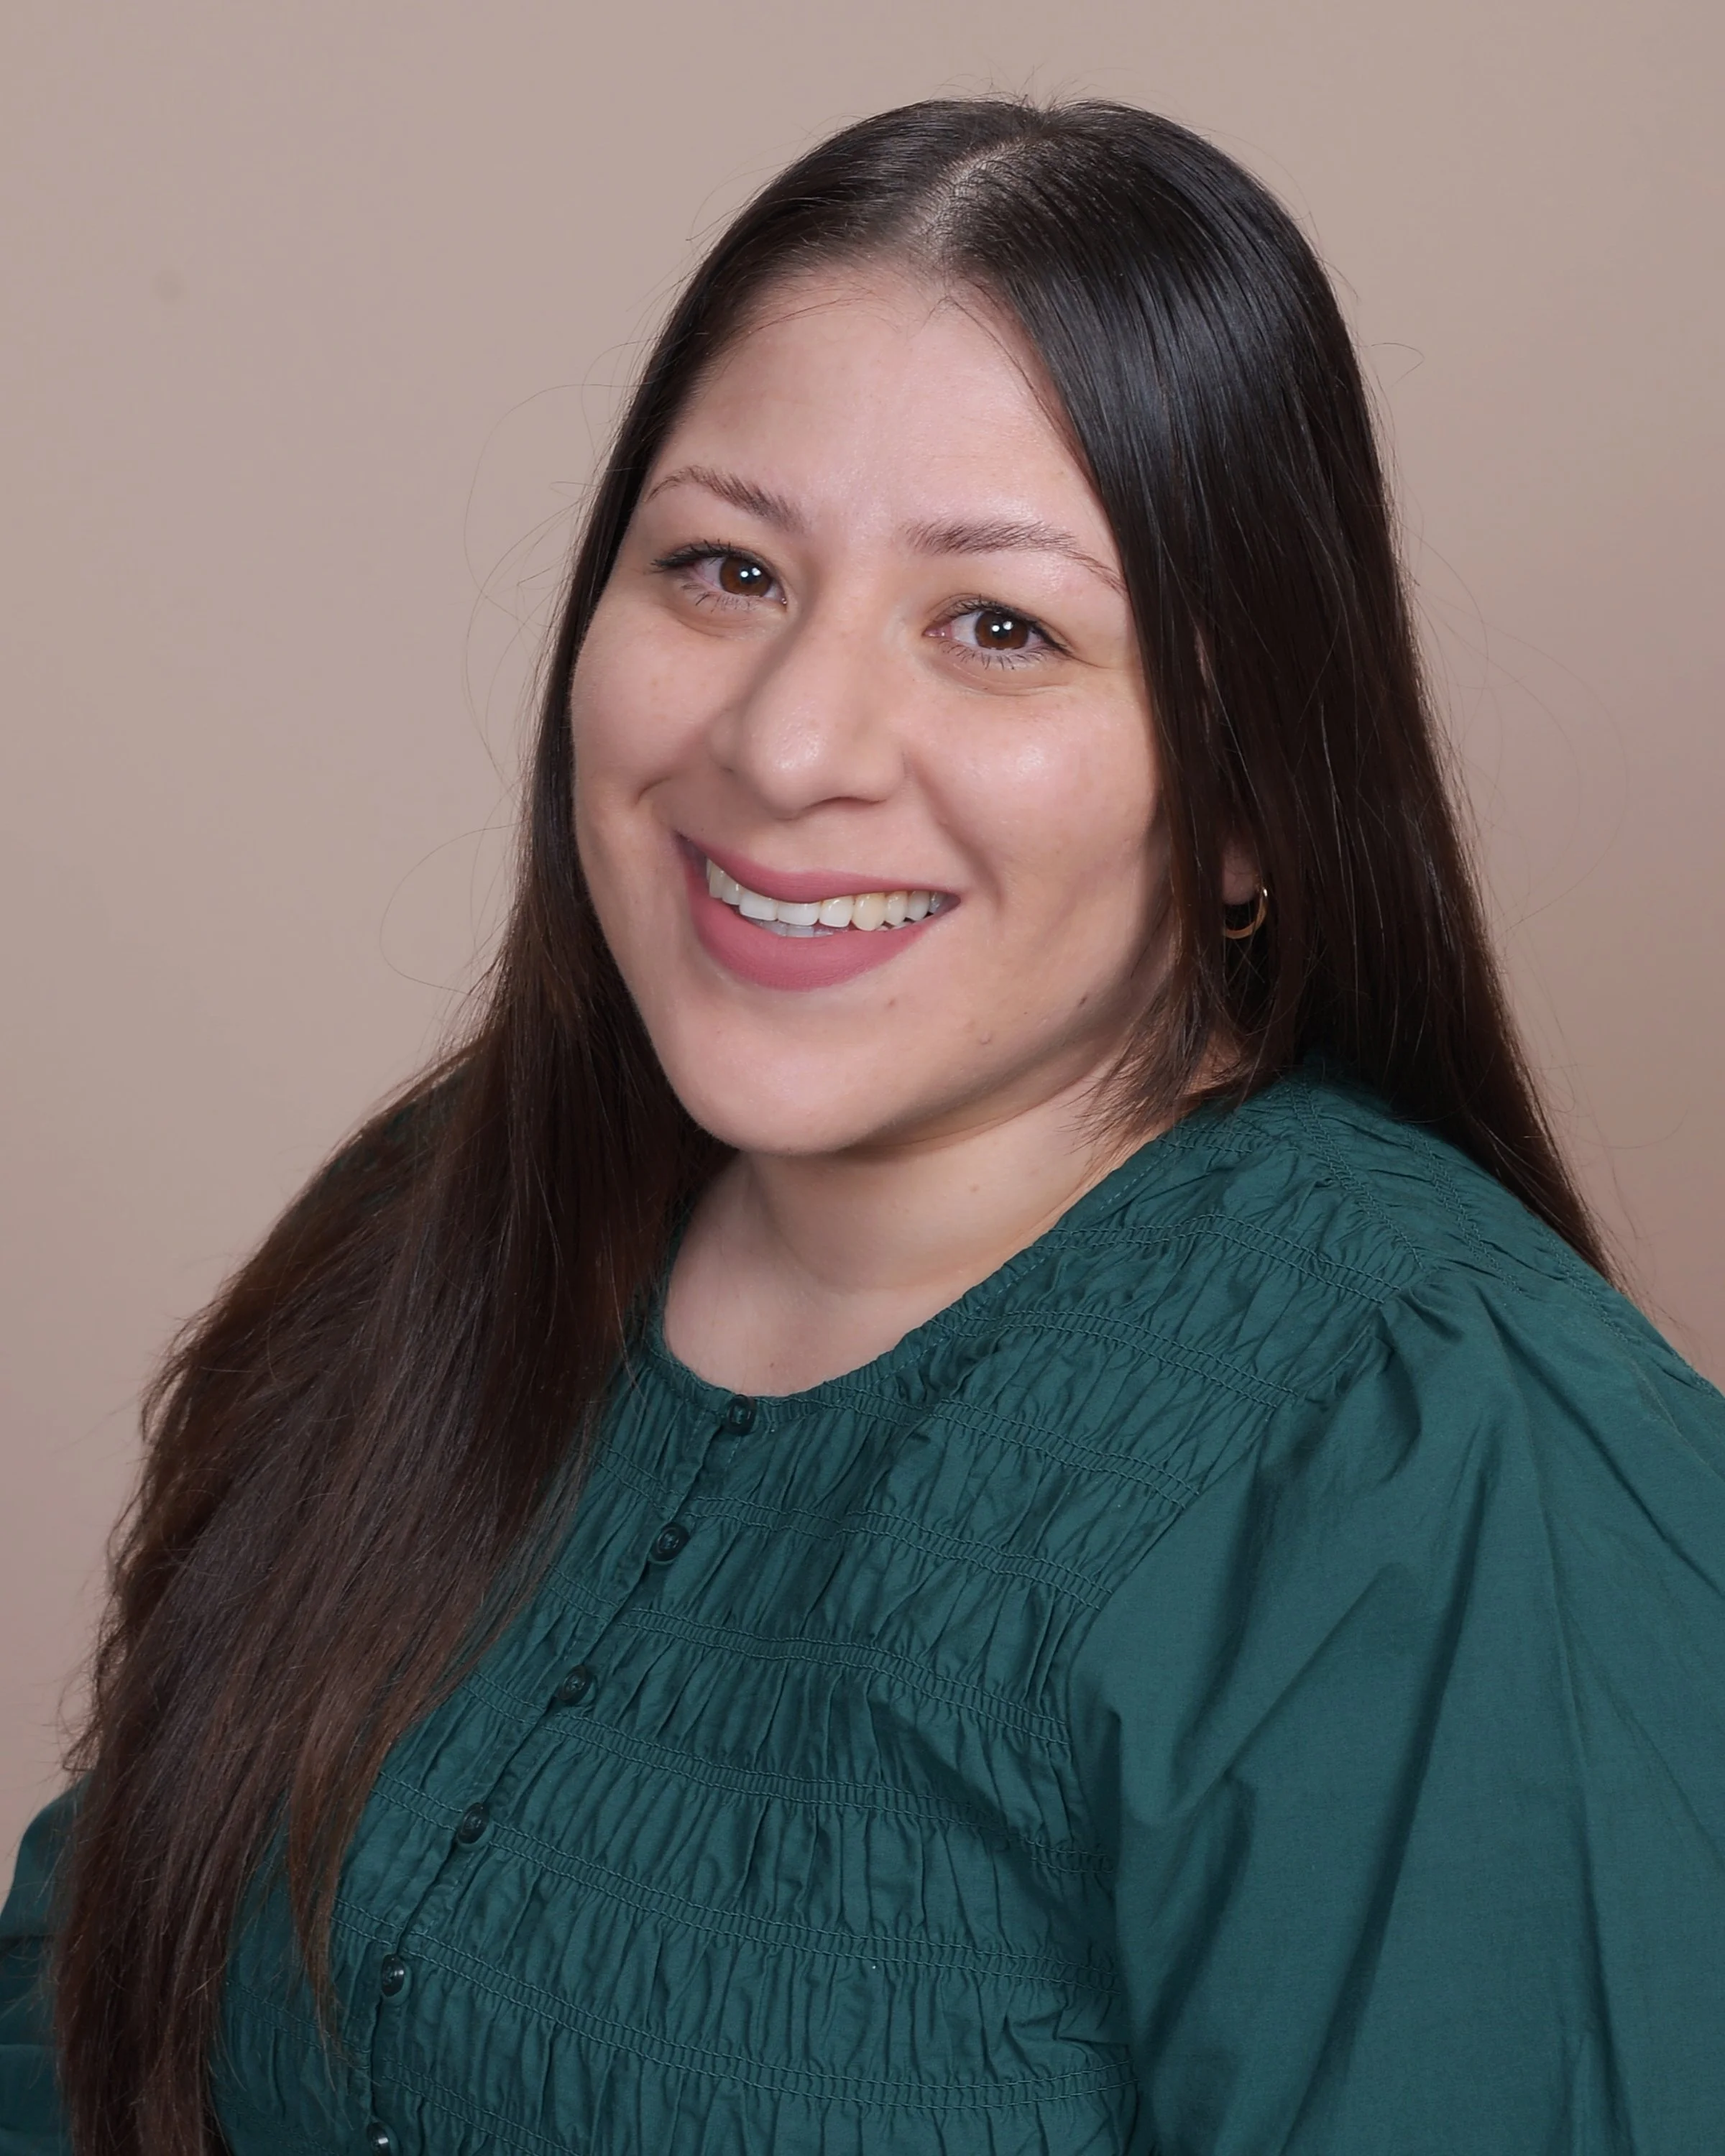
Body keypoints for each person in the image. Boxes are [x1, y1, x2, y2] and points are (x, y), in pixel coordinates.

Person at [4, 93, 1724, 2156]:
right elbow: (86, 2004)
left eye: (998, 626)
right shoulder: (442, 1214)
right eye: (726, 569)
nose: (786, 739)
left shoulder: (1432, 1467)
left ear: (1259, 794)